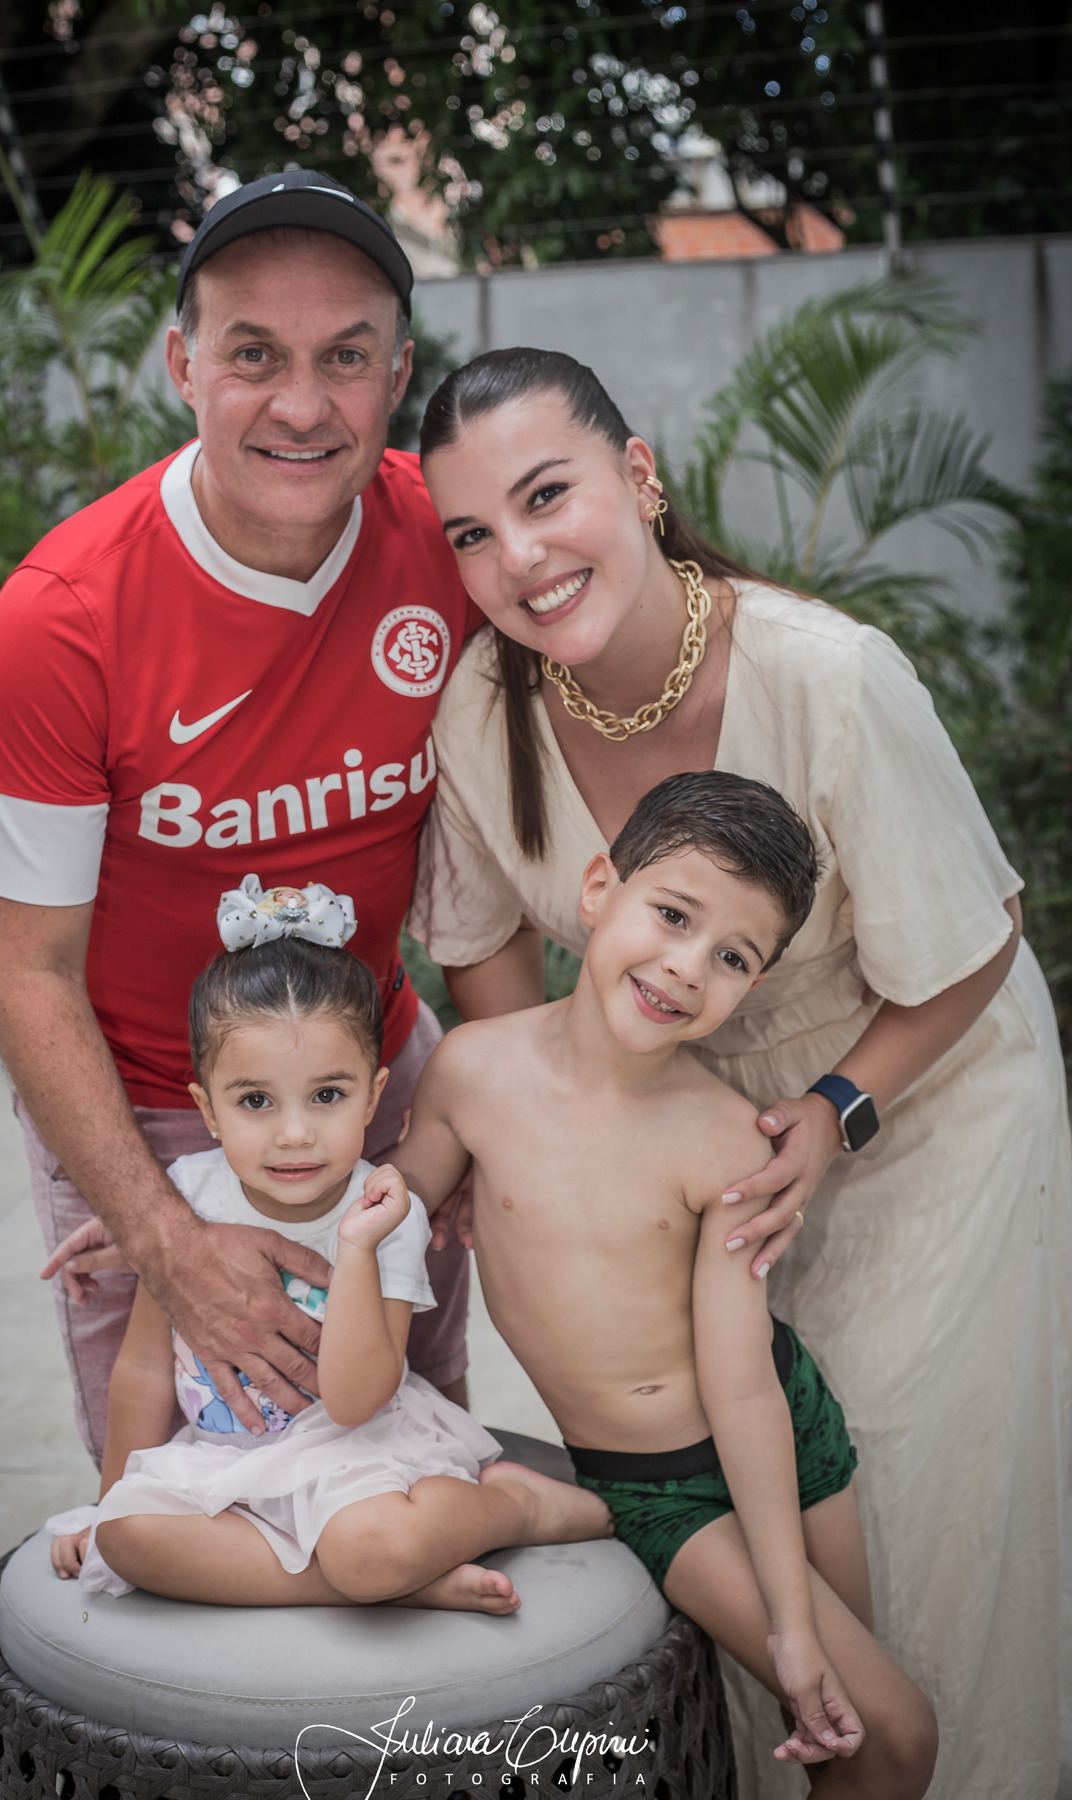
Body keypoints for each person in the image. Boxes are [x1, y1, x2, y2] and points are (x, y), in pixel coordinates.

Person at [409, 348, 1072, 1800]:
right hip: (680, 1128)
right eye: (471, 533)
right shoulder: (477, 712)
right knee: (722, 1492)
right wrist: (548, 1133)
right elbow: (484, 948)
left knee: (908, 1508)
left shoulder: (830, 677)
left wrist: (832, 1118)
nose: (519, 558)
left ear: (639, 477)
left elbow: (976, 940)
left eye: (547, 496)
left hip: (917, 1097)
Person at [0, 172, 480, 1465]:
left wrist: (475, 1125)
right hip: (148, 1112)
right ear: (183, 366)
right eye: (254, 354)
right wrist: (163, 1234)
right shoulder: (62, 617)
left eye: (346, 356)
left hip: (379, 1082)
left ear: (398, 373)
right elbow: (23, 976)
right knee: (185, 1489)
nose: (302, 403)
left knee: (416, 1449)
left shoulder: (448, 544)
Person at [392, 772, 936, 1789]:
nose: (687, 967)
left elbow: (743, 1386)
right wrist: (214, 1222)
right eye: (674, 915)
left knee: (852, 1736)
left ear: (754, 984)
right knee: (897, 1734)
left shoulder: (725, 1140)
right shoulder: (471, 1071)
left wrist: (790, 1622)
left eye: (732, 957)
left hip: (779, 1422)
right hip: (651, 1483)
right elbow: (388, 1208)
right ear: (600, 888)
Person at [46, 880, 610, 1610]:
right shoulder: (184, 1197)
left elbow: (353, 1402)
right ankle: (383, 1588)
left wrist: (357, 1251)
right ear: (207, 1109)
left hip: (355, 1460)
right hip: (222, 1461)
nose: (294, 1133)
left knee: (371, 1544)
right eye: (255, 1100)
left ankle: (511, 1508)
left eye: (327, 1095)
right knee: (127, 1538)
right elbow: (146, 1368)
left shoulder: (383, 1211)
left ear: (373, 1096)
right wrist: (106, 1504)